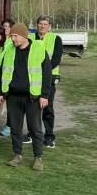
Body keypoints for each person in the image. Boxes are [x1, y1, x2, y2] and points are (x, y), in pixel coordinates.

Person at [0, 22, 51, 171]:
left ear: (23, 36)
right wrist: (2, 93)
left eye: (15, 36)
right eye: (12, 36)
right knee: (15, 127)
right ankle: (17, 155)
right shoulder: (9, 50)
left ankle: (38, 157)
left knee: (35, 128)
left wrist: (44, 95)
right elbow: (4, 71)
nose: (12, 39)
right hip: (13, 96)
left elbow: (47, 74)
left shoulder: (39, 49)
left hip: (32, 97)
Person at [29, 15, 63, 148]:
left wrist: (44, 71)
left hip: (49, 77)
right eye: (40, 24)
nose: (42, 26)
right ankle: (33, 133)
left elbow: (56, 59)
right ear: (36, 25)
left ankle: (49, 136)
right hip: (32, 78)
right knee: (32, 107)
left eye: (45, 24)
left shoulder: (55, 39)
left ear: (50, 26)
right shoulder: (30, 38)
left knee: (47, 107)